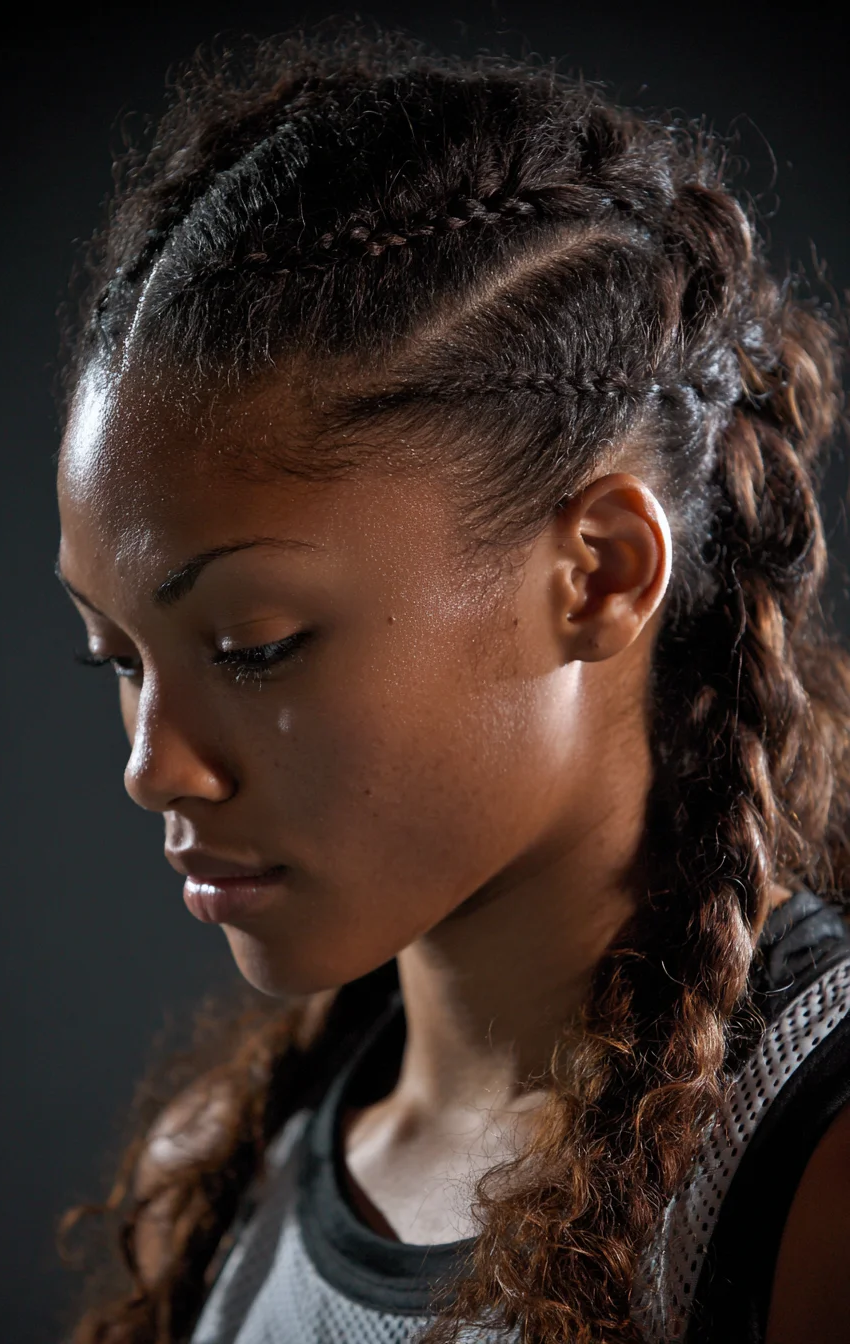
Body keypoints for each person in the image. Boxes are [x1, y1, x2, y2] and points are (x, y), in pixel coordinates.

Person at [55, 28, 850, 1344]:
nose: (155, 763)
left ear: (597, 572)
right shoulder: (211, 1179)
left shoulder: (809, 1185)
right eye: (118, 659)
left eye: (257, 645)